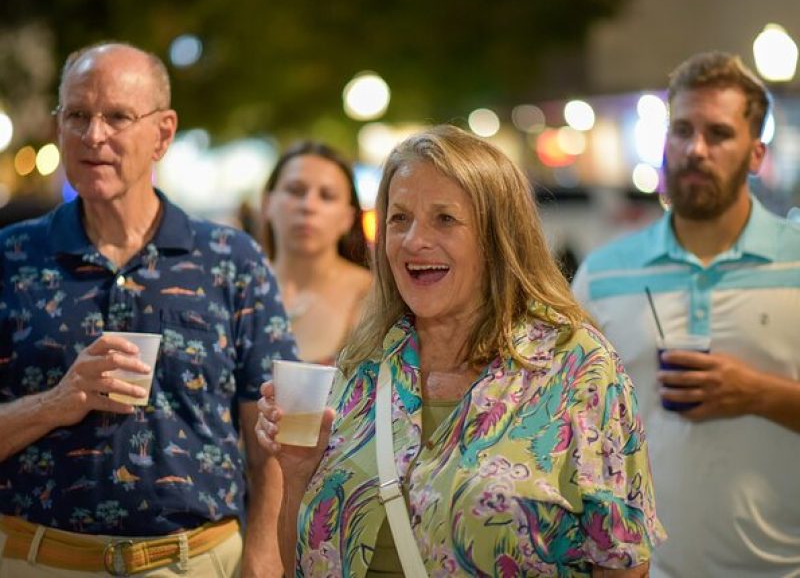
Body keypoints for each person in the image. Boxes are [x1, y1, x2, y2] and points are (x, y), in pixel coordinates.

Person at [255, 125, 665, 576]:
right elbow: (306, 560)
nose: (413, 241)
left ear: (497, 238)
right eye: (399, 219)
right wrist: (297, 476)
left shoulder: (578, 368)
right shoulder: (363, 365)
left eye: (444, 219)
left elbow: (621, 564)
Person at [0, 42, 297, 577]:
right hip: (37, 560)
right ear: (57, 125)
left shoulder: (230, 259)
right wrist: (56, 402)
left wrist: (264, 548)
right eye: (77, 115)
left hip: (199, 561)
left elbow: (269, 426)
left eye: (117, 116)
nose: (94, 136)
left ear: (163, 133)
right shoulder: (12, 256)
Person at [572, 51, 800, 577]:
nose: (695, 149)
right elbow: (571, 426)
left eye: (718, 134)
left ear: (756, 153)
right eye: (682, 130)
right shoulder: (604, 275)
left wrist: (758, 393)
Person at [261, 141, 371, 364]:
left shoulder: (373, 296)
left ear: (348, 218)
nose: (308, 205)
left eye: (327, 195)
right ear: (267, 204)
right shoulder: (239, 289)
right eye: (295, 190)